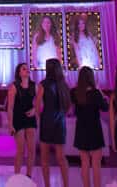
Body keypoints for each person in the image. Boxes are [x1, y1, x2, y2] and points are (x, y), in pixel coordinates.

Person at [35, 58, 71, 187]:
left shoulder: (43, 84)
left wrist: (40, 117)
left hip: (47, 121)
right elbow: (68, 106)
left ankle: (47, 185)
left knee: (45, 158)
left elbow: (38, 105)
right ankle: (66, 184)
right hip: (60, 121)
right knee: (61, 157)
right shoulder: (63, 85)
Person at [72, 66, 108, 187]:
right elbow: (105, 107)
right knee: (96, 164)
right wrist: (99, 91)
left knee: (84, 163)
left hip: (81, 129)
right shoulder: (95, 94)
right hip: (94, 129)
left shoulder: (75, 92)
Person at [6, 62, 37, 178]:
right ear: (19, 73)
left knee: (32, 150)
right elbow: (10, 107)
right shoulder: (14, 87)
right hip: (18, 119)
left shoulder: (34, 86)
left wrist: (34, 109)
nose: (27, 70)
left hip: (30, 118)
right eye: (24, 69)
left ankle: (29, 175)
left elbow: (40, 103)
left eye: (27, 68)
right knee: (20, 150)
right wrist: (10, 124)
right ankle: (17, 177)